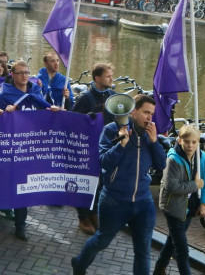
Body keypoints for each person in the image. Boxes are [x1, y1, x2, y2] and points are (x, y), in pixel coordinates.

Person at [71, 95, 167, 275]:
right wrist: (121, 144)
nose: (149, 118)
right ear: (133, 111)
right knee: (102, 240)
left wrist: (154, 142)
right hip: (114, 201)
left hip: (143, 203)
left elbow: (162, 165)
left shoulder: (150, 134)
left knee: (143, 251)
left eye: (152, 114)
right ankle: (79, 264)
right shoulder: (111, 130)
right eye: (146, 112)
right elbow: (104, 162)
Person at [0, 60, 59, 241]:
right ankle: (4, 204)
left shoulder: (36, 90)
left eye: (27, 72)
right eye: (20, 73)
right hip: (13, 145)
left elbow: (45, 108)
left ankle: (20, 224)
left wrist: (53, 108)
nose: (24, 76)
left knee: (24, 185)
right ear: (12, 75)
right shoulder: (5, 93)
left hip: (31, 145)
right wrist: (2, 111)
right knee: (9, 181)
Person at [154, 125, 205, 275]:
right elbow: (171, 186)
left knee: (173, 240)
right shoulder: (173, 159)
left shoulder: (202, 158)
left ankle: (159, 268)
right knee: (182, 250)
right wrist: (195, 185)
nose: (190, 145)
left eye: (194, 142)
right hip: (173, 208)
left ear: (198, 142)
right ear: (180, 141)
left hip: (190, 206)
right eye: (187, 141)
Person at [72, 62, 117, 235]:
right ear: (97, 78)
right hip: (87, 148)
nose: (111, 78)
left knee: (101, 183)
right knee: (85, 183)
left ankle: (93, 212)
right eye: (108, 76)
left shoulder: (112, 95)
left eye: (112, 75)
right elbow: (73, 121)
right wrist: (86, 119)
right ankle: (83, 217)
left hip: (105, 147)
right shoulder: (86, 98)